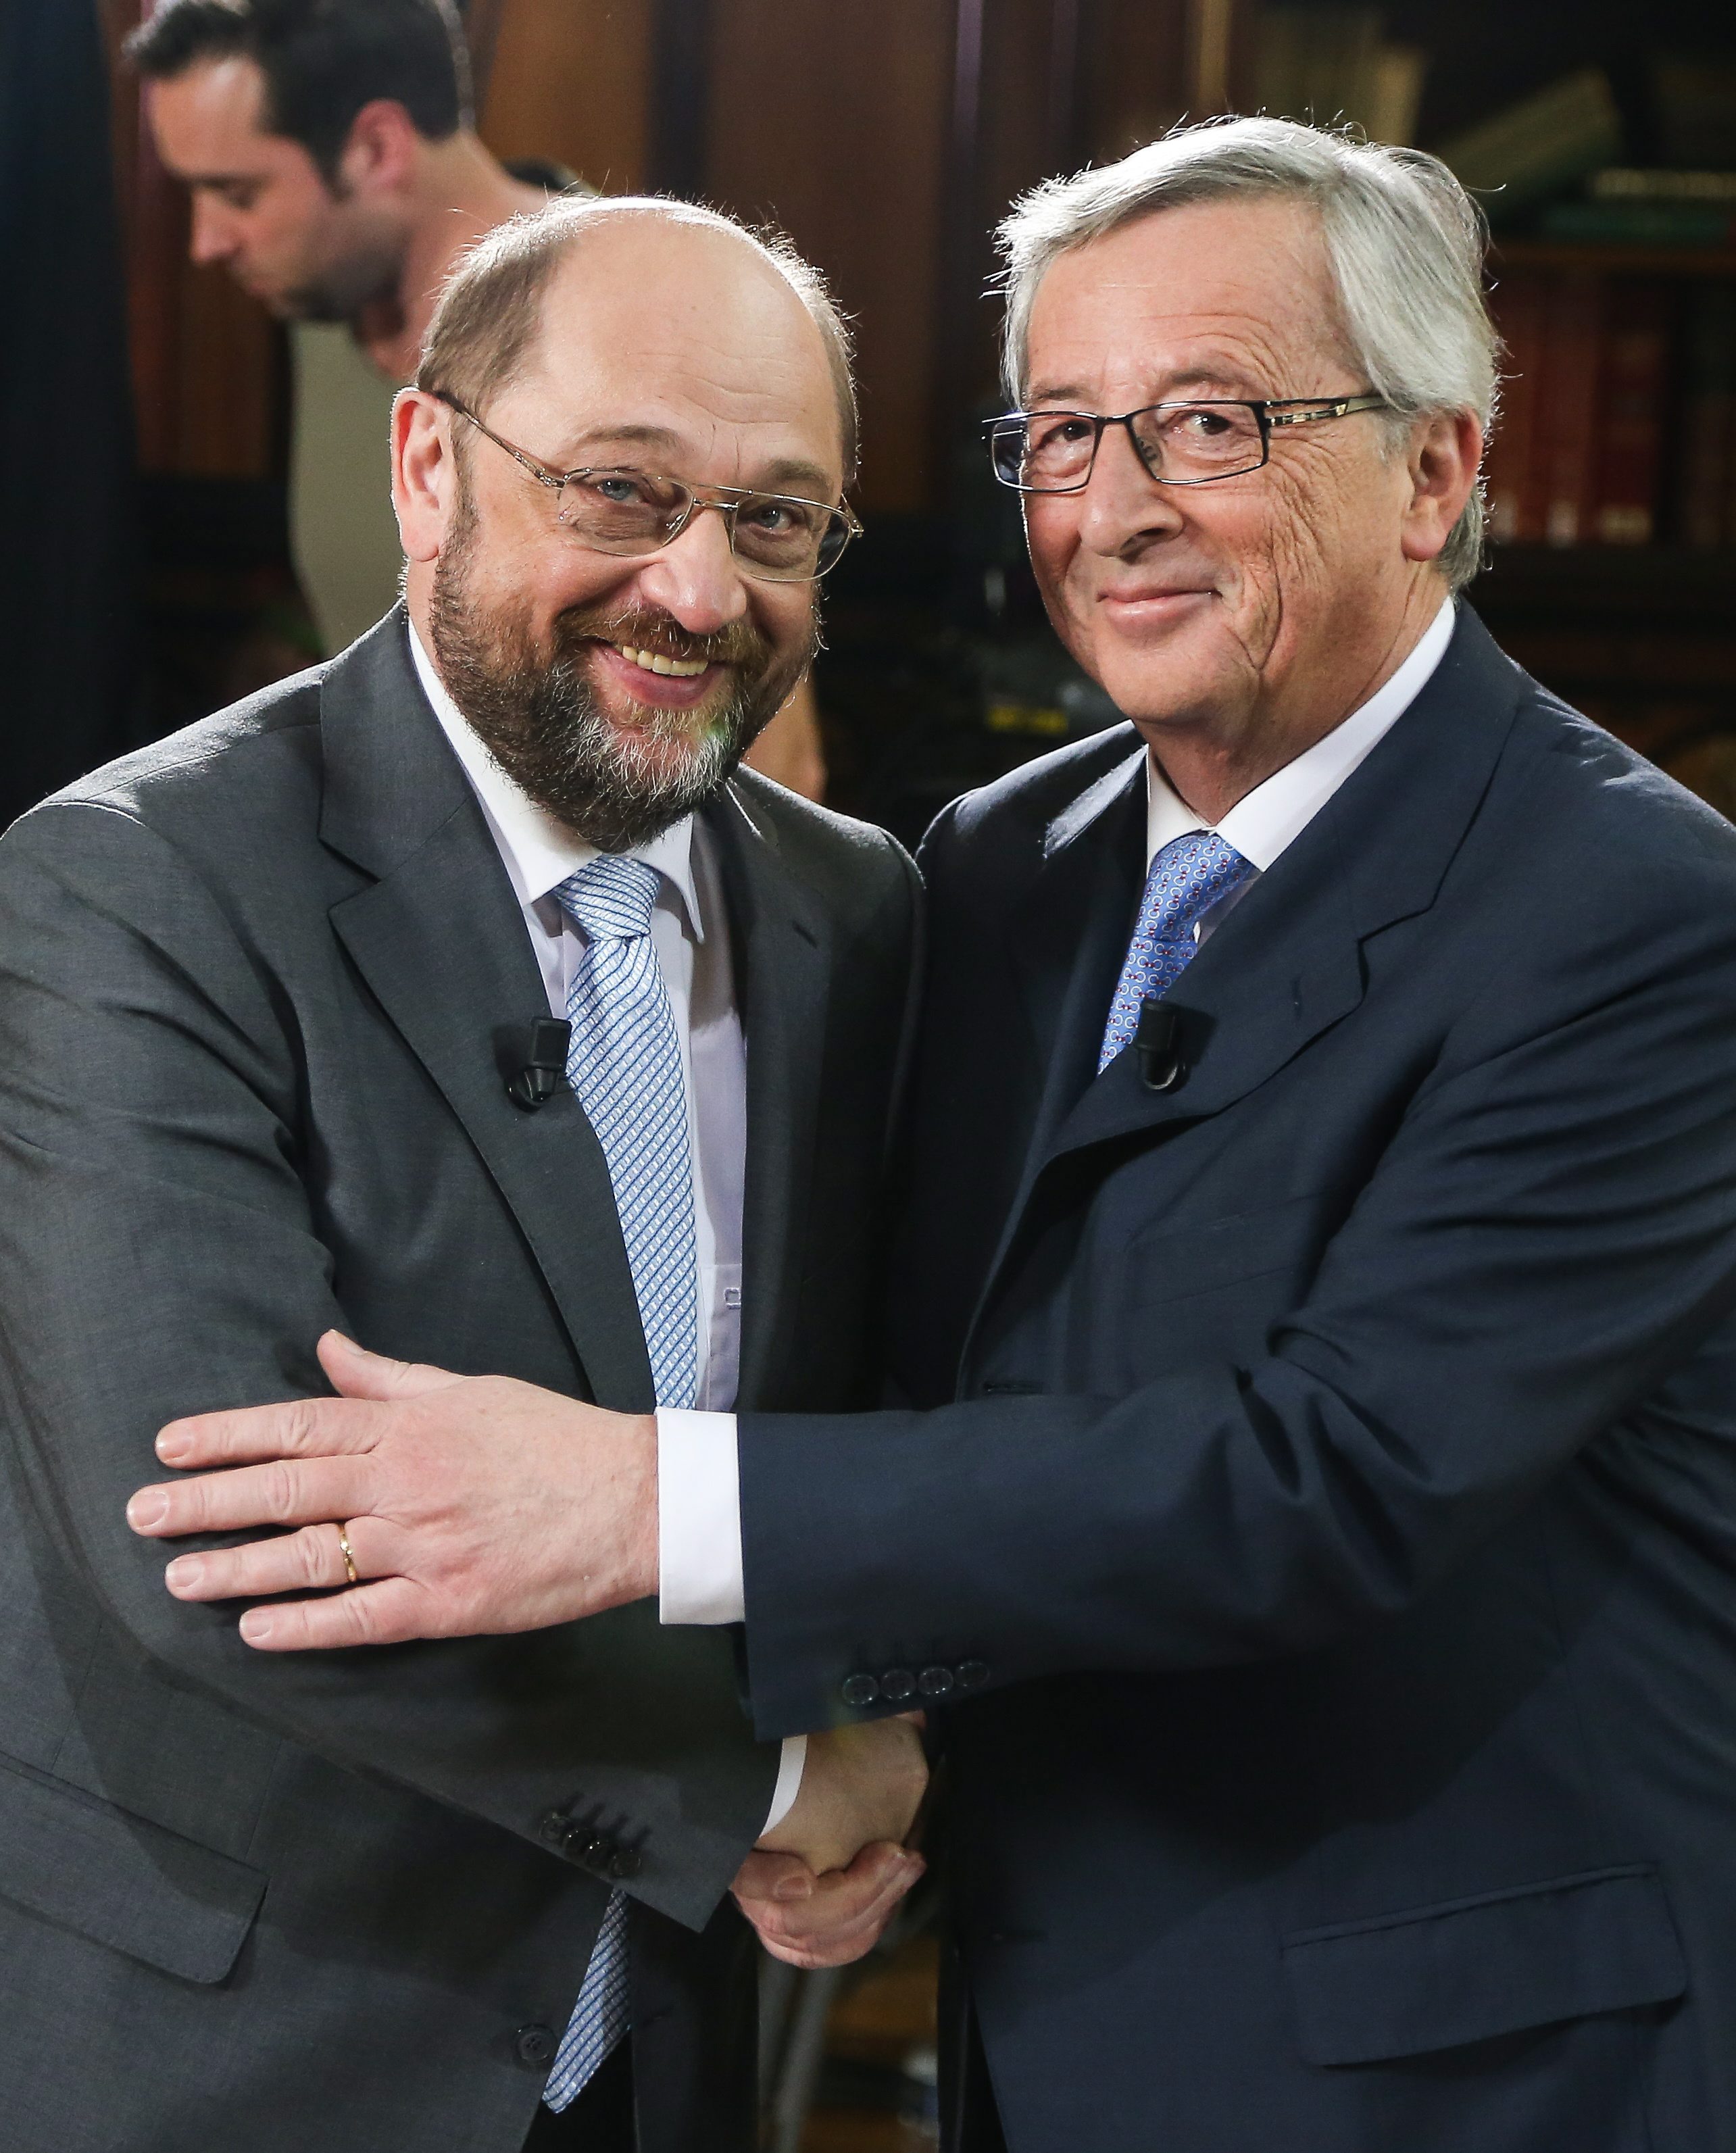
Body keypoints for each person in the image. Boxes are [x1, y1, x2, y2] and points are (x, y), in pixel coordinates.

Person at [128, 118, 1736, 2148]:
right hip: (1041, 2024)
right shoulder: (993, 867)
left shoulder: (1642, 919)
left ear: (1435, 473)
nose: (1115, 510)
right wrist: (843, 1767)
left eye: (1210, 424)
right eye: (1060, 435)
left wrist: (639, 1503)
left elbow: (1324, 1480)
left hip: (1467, 2071)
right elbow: (939, 1400)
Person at [0, 193, 926, 2153]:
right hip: (244, 2064)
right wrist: (769, 1793)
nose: (700, 590)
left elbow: (875, 1440)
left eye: (776, 520)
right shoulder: (134, 888)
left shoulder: (864, 916)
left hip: (658, 2052)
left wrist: (893, 1727)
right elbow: (217, 1554)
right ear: (430, 466)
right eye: (621, 490)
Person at [127, 0, 828, 793]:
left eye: (238, 193)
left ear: (376, 148)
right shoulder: (324, 290)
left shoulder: (646, 313)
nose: (207, 241)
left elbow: (778, 770)